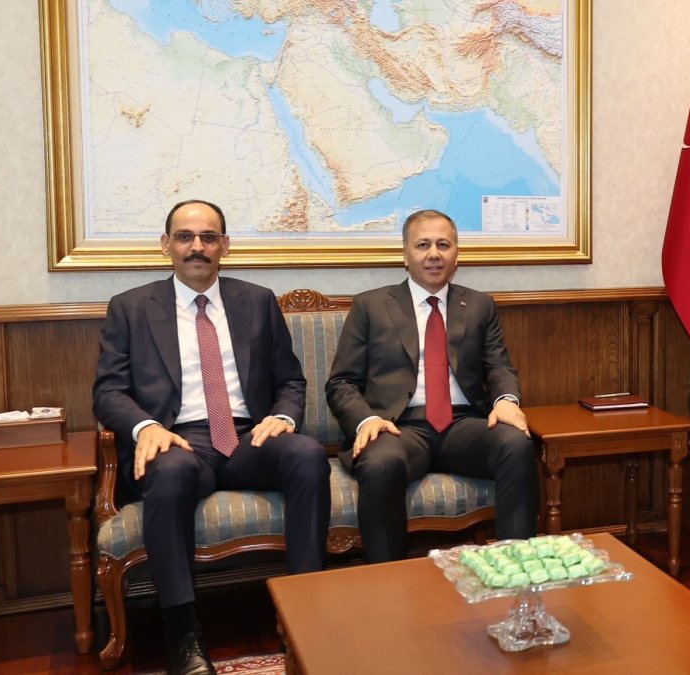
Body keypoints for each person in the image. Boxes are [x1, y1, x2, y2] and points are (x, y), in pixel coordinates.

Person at [92, 200, 331, 675]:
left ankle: (306, 609)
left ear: (225, 245)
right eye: (185, 237)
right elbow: (108, 391)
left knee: (306, 453)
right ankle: (182, 631)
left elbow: (290, 380)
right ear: (166, 246)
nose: (197, 247)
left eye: (208, 237)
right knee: (170, 471)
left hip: (247, 436)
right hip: (178, 439)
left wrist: (283, 416)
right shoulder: (132, 308)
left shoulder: (257, 300)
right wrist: (148, 427)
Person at [326, 209, 538, 563]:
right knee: (380, 464)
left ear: (457, 254)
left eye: (444, 244)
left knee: (515, 444)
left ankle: (516, 573)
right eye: (423, 245)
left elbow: (498, 365)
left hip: (463, 425)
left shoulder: (479, 305)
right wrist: (366, 421)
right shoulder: (371, 305)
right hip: (397, 427)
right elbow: (341, 382)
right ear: (405, 255)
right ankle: (388, 581)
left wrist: (505, 400)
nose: (434, 253)